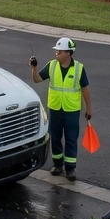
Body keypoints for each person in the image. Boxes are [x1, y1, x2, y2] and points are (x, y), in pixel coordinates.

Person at [28, 37, 92, 181]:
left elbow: (85, 89)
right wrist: (34, 68)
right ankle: (58, 165)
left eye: (59, 52)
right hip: (55, 109)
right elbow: (37, 79)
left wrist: (89, 109)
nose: (56, 53)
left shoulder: (79, 68)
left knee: (71, 139)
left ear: (68, 53)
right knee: (55, 138)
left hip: (71, 111)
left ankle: (70, 169)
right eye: (56, 51)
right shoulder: (51, 66)